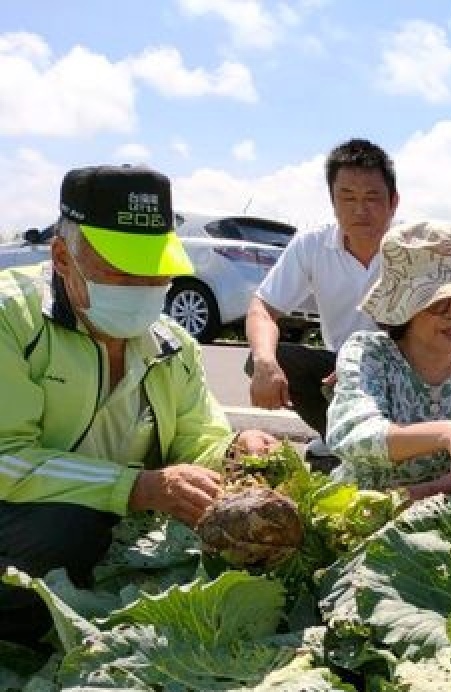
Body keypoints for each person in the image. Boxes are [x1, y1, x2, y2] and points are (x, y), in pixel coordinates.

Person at [0, 165, 274, 645]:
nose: (141, 287)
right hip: (29, 519)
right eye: (119, 272)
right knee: (68, 526)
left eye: (154, 274)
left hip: (112, 517)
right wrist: (135, 488)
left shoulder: (173, 344)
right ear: (63, 257)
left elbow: (196, 436)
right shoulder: (11, 319)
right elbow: (5, 456)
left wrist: (235, 452)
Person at [325, 222, 451, 498]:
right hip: (358, 504)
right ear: (406, 309)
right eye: (439, 302)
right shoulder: (367, 353)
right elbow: (354, 437)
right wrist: (446, 433)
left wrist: (413, 496)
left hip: (447, 510)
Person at [246, 138, 399, 438]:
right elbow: (262, 307)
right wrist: (265, 362)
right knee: (269, 358)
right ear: (333, 202)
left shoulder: (413, 246)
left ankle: (394, 442)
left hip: (403, 367)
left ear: (393, 201)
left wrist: (366, 365)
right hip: (337, 372)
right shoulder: (312, 246)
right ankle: (340, 440)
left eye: (371, 198)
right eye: (347, 198)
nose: (360, 210)